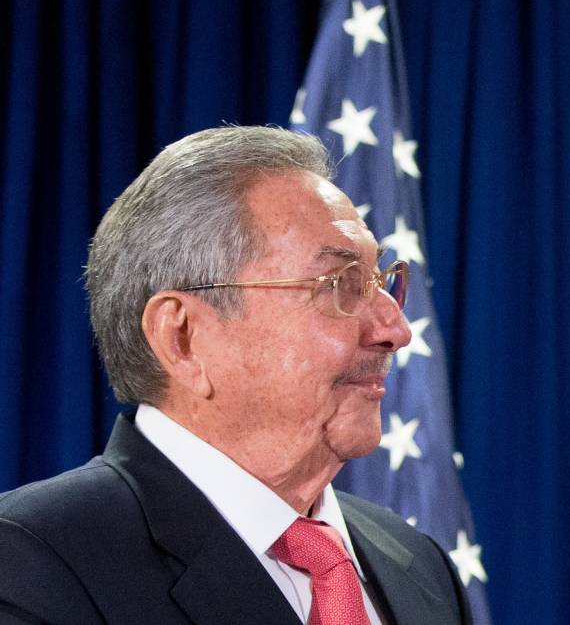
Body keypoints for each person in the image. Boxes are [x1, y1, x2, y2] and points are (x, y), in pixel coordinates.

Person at [0, 126, 471, 624]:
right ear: (183, 337)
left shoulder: (418, 565)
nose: (395, 330)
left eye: (381, 282)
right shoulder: (30, 567)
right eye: (341, 284)